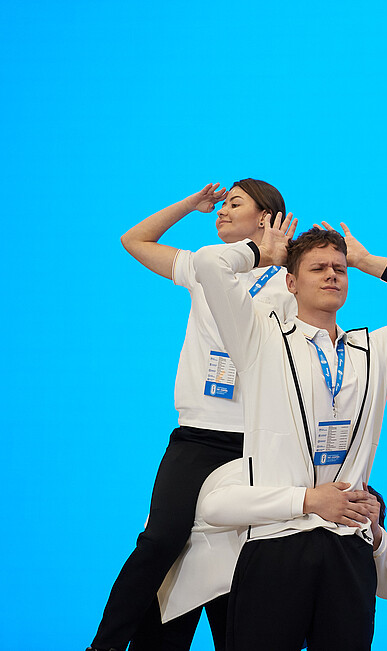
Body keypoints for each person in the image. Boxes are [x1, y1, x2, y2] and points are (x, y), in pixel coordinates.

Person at [192, 219, 387, 650]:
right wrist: (265, 253)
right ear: (291, 283)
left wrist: (368, 261)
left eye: (339, 268)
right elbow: (210, 263)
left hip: (347, 545)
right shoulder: (261, 340)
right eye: (317, 268)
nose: (332, 275)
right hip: (278, 542)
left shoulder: (375, 352)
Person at [89, 180, 294, 651]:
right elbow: (134, 240)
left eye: (234, 204)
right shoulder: (206, 266)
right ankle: (104, 645)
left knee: (233, 567)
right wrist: (190, 204)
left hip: (256, 444)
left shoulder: (289, 281)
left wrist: (276, 257)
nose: (221, 211)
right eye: (222, 204)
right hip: (198, 436)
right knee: (162, 541)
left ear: (266, 217)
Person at [157, 459, 387, 630]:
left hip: (248, 583)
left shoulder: (358, 517)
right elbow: (213, 507)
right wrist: (308, 500)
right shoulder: (266, 472)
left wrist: (375, 533)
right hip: (185, 565)